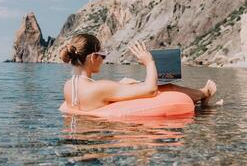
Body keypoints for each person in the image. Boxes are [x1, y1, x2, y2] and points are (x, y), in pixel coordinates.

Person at [60, 33, 217, 112]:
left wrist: (120, 84)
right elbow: (151, 90)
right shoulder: (100, 87)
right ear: (93, 57)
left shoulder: (68, 86)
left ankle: (202, 100)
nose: (103, 58)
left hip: (85, 135)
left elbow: (99, 92)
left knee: (132, 83)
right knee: (166, 88)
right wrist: (149, 62)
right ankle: (204, 92)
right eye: (103, 55)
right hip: (104, 139)